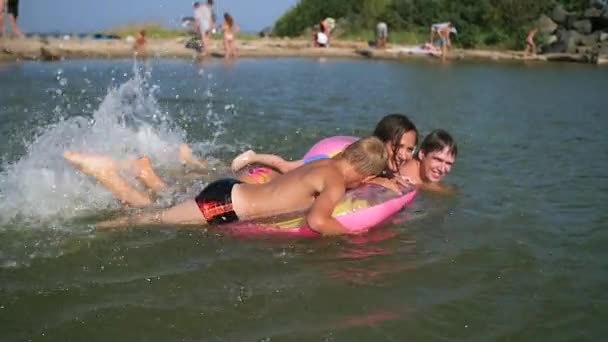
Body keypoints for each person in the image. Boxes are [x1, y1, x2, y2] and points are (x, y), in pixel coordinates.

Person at [64, 137, 388, 236]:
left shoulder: (323, 164)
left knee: (165, 206)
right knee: (149, 219)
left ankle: (145, 175)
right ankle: (103, 184)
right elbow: (318, 221)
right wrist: (353, 232)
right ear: (362, 177)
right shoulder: (335, 182)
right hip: (226, 207)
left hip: (229, 190)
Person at [232, 114, 419, 181]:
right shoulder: (365, 158)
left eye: (410, 149)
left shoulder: (389, 169)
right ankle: (253, 157)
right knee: (285, 168)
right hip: (325, 160)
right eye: (397, 147)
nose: (403, 154)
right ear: (381, 141)